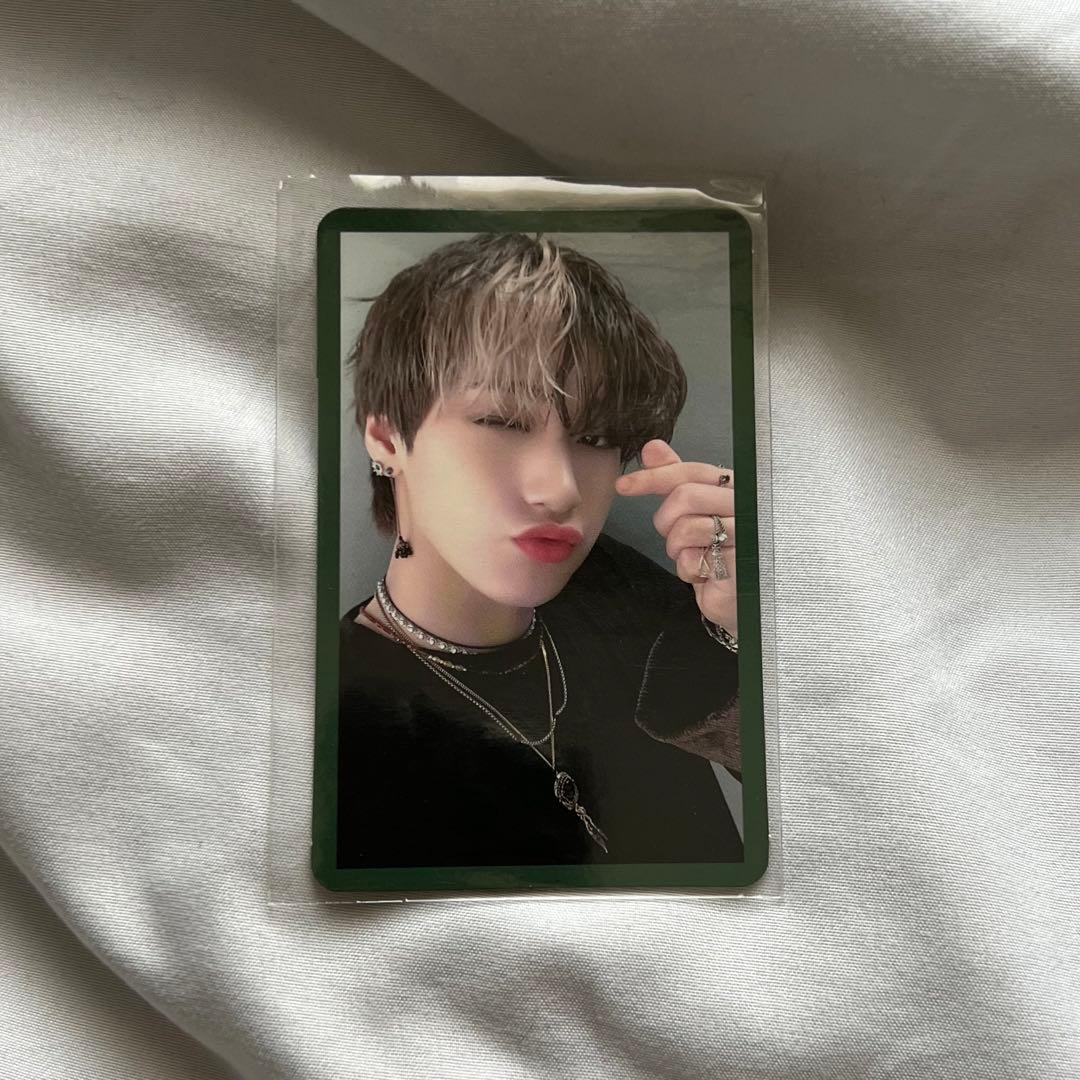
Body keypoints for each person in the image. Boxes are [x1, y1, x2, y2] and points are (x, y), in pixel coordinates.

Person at [336, 232, 742, 870]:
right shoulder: (329, 717)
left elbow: (837, 807)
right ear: (387, 435)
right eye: (501, 421)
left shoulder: (622, 594)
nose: (560, 489)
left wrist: (757, 631)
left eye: (596, 437)